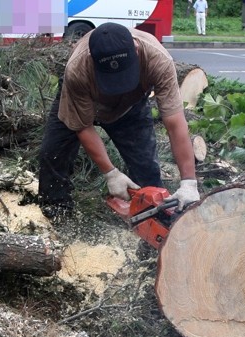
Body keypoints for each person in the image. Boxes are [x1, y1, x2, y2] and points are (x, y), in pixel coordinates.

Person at [37, 23, 200, 221]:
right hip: (84, 99)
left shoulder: (157, 59)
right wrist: (110, 173)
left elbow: (175, 124)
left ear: (136, 48)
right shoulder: (78, 68)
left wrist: (189, 182)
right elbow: (83, 126)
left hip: (130, 107)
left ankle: (154, 230)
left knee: (146, 169)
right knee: (52, 155)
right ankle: (57, 217)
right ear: (92, 60)